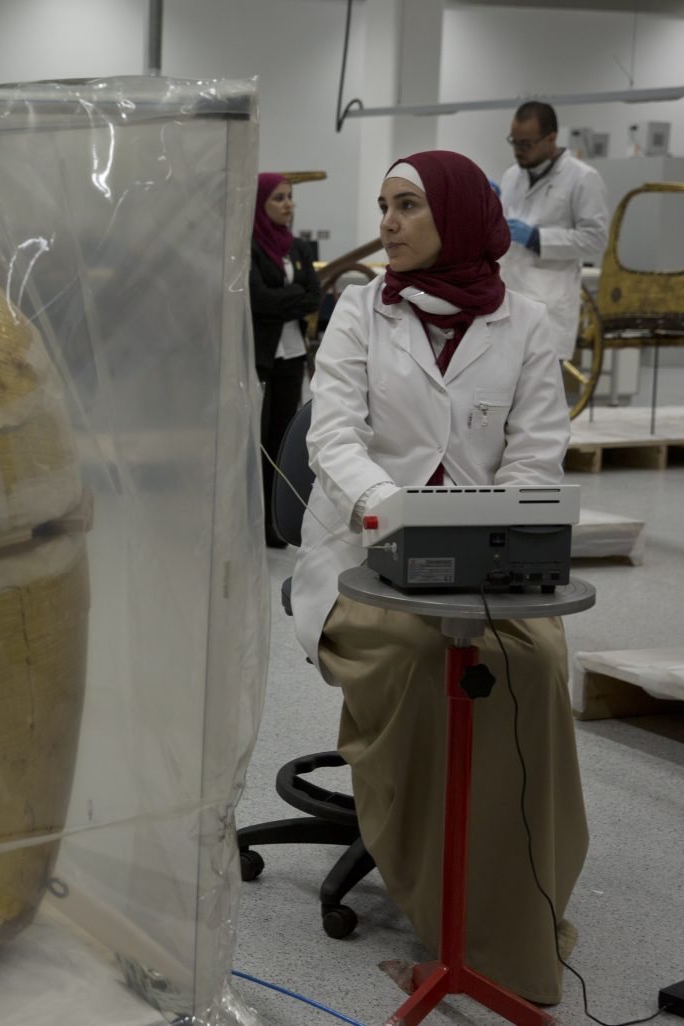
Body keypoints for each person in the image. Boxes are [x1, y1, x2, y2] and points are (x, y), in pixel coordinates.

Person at [291, 150, 584, 1005]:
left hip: (489, 565)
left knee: (534, 663)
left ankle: (519, 909)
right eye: (384, 205)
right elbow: (333, 439)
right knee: (429, 660)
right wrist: (401, 519)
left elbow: (535, 455)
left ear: (456, 215)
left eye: (408, 206)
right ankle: (439, 897)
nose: (387, 223)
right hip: (362, 564)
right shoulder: (361, 311)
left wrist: (484, 530)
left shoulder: (526, 324)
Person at [498, 101, 608, 363]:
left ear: (551, 138)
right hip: (508, 295)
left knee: (542, 383)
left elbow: (595, 238)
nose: (518, 151)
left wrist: (537, 238)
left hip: (549, 302)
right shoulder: (512, 175)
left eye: (526, 144)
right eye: (514, 142)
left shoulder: (583, 178)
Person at [250, 172, 322, 548]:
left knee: (283, 441)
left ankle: (276, 523)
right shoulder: (250, 247)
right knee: (258, 441)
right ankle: (254, 520)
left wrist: (285, 298)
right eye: (278, 198)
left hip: (292, 357)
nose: (288, 204)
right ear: (260, 204)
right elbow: (256, 300)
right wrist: (294, 295)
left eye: (290, 196)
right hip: (262, 357)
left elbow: (315, 296)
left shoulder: (299, 248)